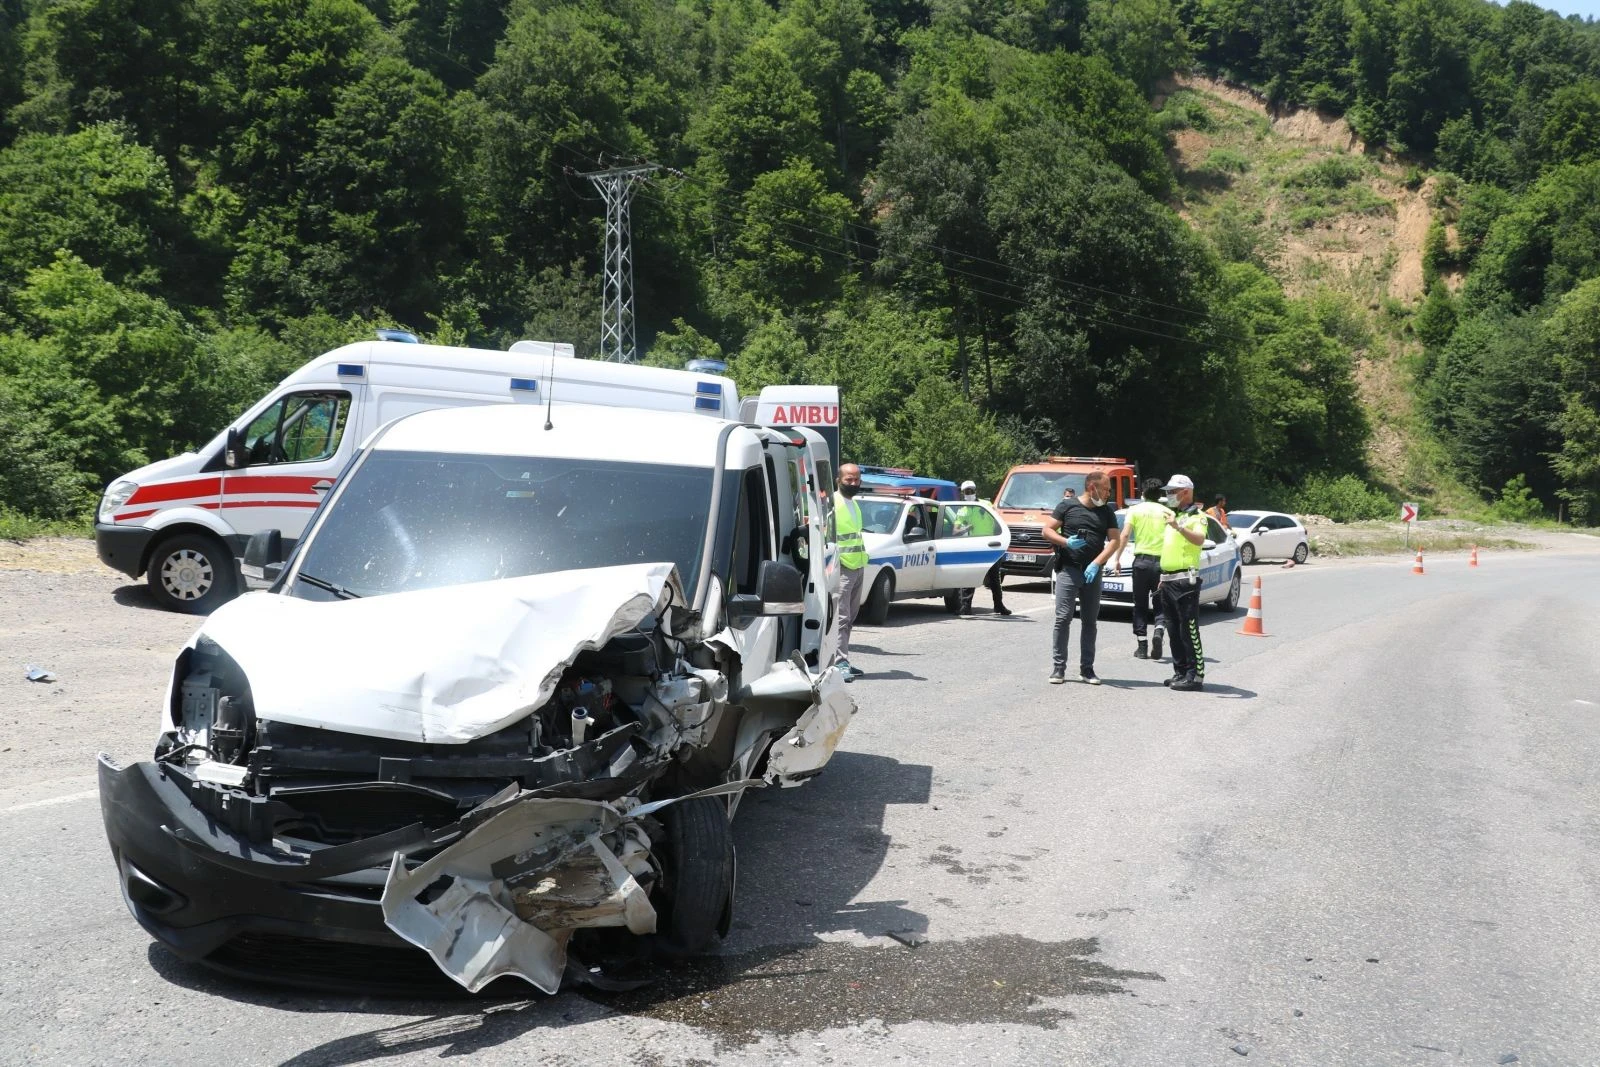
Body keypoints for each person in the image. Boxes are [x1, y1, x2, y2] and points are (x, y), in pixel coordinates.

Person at [1042, 470, 1124, 685]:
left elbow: (1114, 541)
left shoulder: (1106, 512)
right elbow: (1047, 531)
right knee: (1063, 618)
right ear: (1092, 488)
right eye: (1106, 489)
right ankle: (1058, 669)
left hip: (1092, 573)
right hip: (1069, 569)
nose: (1108, 494)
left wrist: (1097, 563)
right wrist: (1065, 542)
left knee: (1090, 621)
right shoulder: (1067, 506)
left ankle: (1087, 670)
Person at [1158, 474, 1211, 692]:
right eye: (1168, 491)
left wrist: (1178, 527)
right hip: (1168, 579)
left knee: (1188, 629)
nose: (1169, 495)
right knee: (1172, 628)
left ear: (1186, 492)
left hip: (1185, 581)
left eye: (1172, 491)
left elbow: (1199, 539)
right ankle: (1179, 671)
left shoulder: (1196, 517)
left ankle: (1195, 675)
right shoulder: (1175, 515)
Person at [1123, 476, 1173, 660]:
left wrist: (1118, 557)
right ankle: (1159, 631)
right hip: (1162, 564)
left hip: (1141, 563)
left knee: (1140, 604)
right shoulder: (1168, 512)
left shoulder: (1135, 510)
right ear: (1160, 494)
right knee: (1160, 603)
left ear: (1142, 493)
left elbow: (1125, 534)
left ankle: (1142, 647)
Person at [953, 479, 1012, 616]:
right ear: (963, 493)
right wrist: (967, 527)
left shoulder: (986, 505)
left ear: (975, 491)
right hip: (975, 546)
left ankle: (999, 605)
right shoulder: (963, 510)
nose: (969, 493)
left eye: (971, 491)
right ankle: (966, 607)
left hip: (991, 545)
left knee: (994, 578)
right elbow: (955, 531)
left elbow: (998, 520)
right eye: (967, 492)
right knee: (971, 577)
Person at [832, 463, 869, 681]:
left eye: (856, 479)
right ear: (839, 480)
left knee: (850, 618)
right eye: (849, 479)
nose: (853, 483)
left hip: (856, 565)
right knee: (841, 618)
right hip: (842, 567)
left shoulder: (853, 504)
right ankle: (838, 663)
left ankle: (843, 658)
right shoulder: (834, 503)